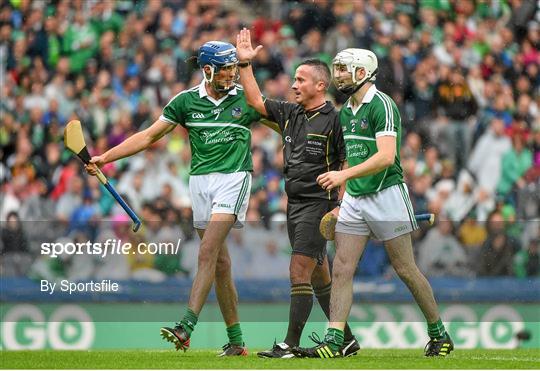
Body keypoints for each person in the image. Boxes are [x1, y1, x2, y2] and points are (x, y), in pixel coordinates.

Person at [85, 41, 262, 356]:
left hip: (234, 179)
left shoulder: (247, 100)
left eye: (234, 68)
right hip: (200, 184)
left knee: (206, 251)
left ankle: (186, 326)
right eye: (224, 69)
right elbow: (148, 136)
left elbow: (285, 124)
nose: (231, 74)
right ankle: (236, 342)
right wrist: (106, 157)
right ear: (206, 70)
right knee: (220, 263)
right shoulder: (185, 102)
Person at [296, 49, 453, 358]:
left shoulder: (382, 105)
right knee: (341, 268)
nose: (338, 75)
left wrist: (343, 177)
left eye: (344, 70)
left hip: (387, 195)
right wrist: (343, 197)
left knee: (405, 268)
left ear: (362, 72)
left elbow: (385, 157)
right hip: (355, 197)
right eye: (337, 69)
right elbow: (350, 158)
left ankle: (439, 333)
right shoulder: (345, 111)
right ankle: (335, 340)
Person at [235, 28, 359, 358]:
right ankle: (345, 338)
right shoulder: (291, 114)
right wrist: (245, 65)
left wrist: (341, 205)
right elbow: (255, 101)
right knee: (318, 274)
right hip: (295, 203)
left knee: (298, 271)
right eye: (294, 79)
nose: (293, 85)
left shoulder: (336, 119)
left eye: (301, 80)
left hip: (320, 204)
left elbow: (348, 161)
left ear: (321, 85)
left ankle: (289, 343)